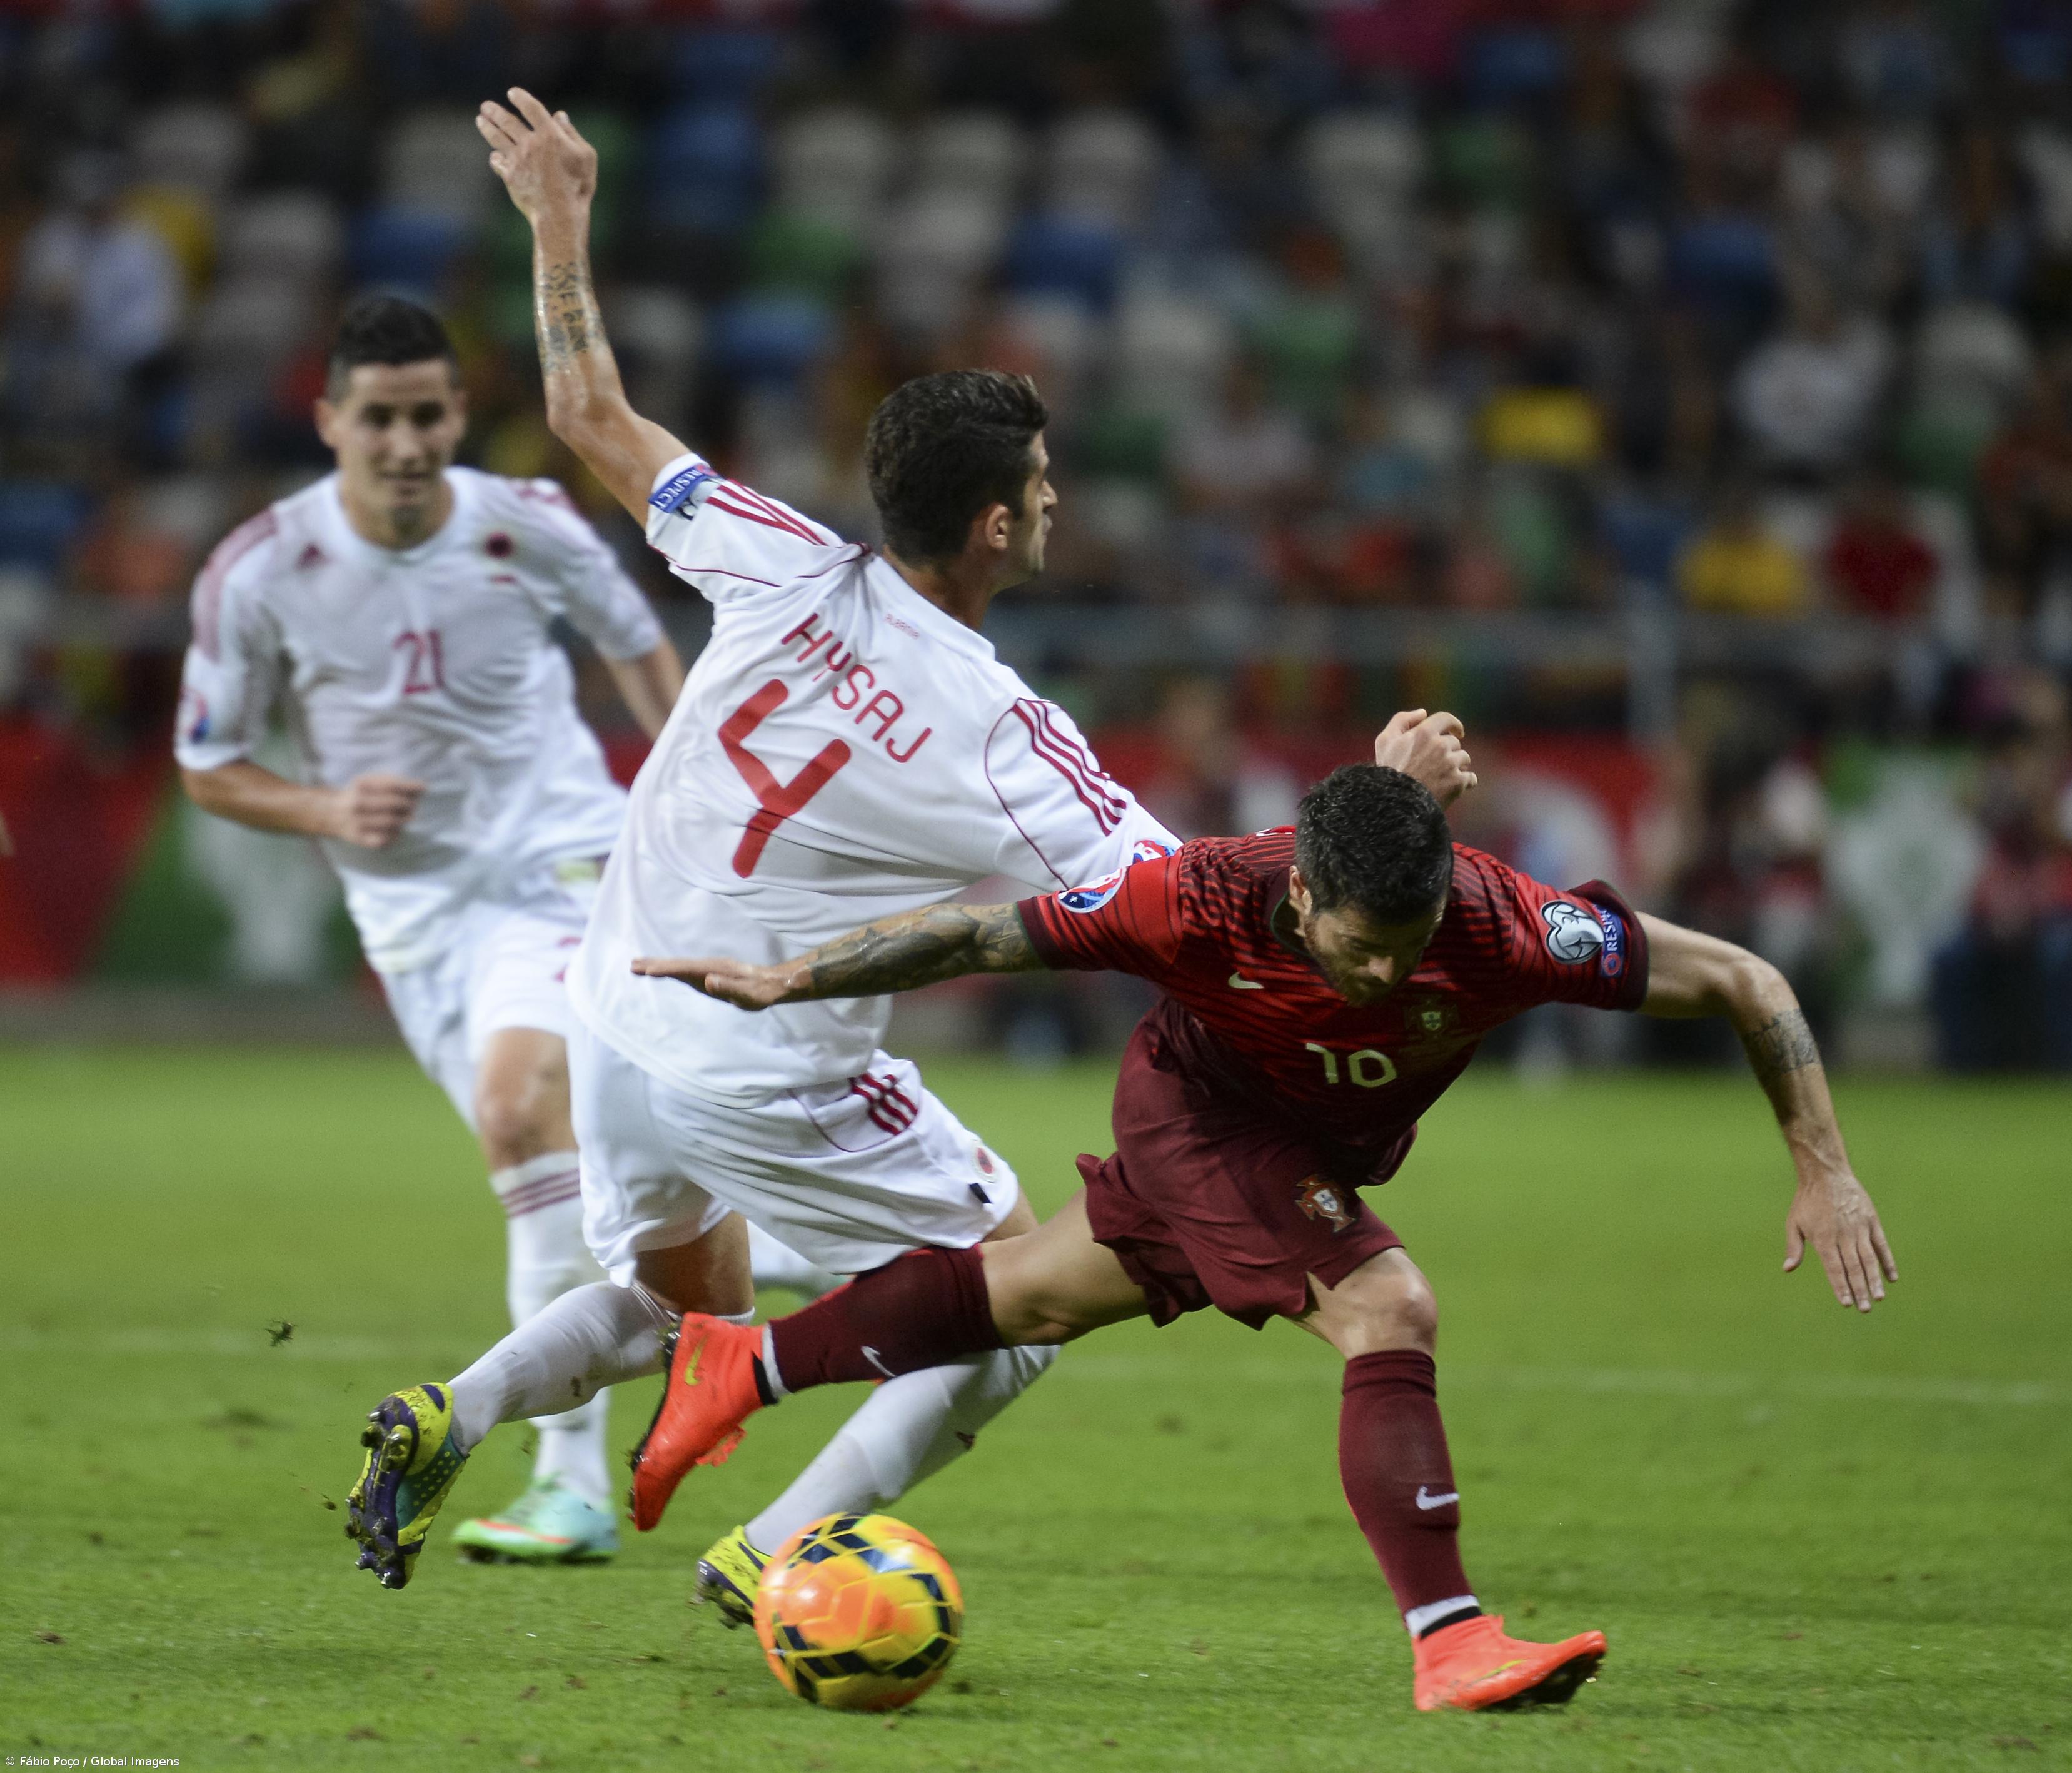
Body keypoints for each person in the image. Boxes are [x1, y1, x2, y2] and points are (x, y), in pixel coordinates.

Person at [334, 88, 1480, 1601]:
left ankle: (455, 1407)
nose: (1058, 503)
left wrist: (557, 221)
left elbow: (588, 417)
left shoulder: (778, 557)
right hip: (758, 1065)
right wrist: (1385, 793)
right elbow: (1202, 898)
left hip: (609, 1010)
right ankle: (776, 1553)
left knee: (686, 1299)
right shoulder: (1004, 736)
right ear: (998, 525)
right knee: (1019, 1294)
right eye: (1047, 488)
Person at [631, 764, 1900, 1714]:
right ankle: (1448, 1633)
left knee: (1030, 1294)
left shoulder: (1506, 925)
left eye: (1408, 949)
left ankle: (738, 1367)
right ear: (1301, 891)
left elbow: (1747, 982)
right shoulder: (1199, 899)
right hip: (1196, 1117)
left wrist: (1824, 1165)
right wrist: (789, 978)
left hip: (1287, 1147)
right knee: (1385, 1305)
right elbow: (979, 932)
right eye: (1361, 946)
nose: (1386, 977)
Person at [174, 293, 827, 1569]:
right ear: (330, 421)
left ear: (459, 414)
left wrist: (684, 807)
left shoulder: (525, 525)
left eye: (428, 413)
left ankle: (568, 1481)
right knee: (569, 1166)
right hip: (413, 918)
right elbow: (207, 762)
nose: (407, 441)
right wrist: (319, 802)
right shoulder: (259, 571)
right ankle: (777, 1255)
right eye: (380, 418)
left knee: (520, 1105)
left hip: (560, 861)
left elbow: (648, 654)